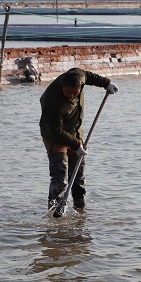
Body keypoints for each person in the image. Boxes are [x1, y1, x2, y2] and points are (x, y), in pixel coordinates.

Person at [40, 67, 118, 215]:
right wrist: (77, 145)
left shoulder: (79, 77)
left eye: (75, 93)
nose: (71, 96)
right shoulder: (51, 102)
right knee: (60, 178)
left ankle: (80, 212)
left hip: (75, 132)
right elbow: (56, 131)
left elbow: (89, 76)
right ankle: (54, 213)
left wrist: (106, 83)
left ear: (81, 86)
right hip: (54, 137)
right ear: (62, 86)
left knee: (78, 177)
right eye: (67, 92)